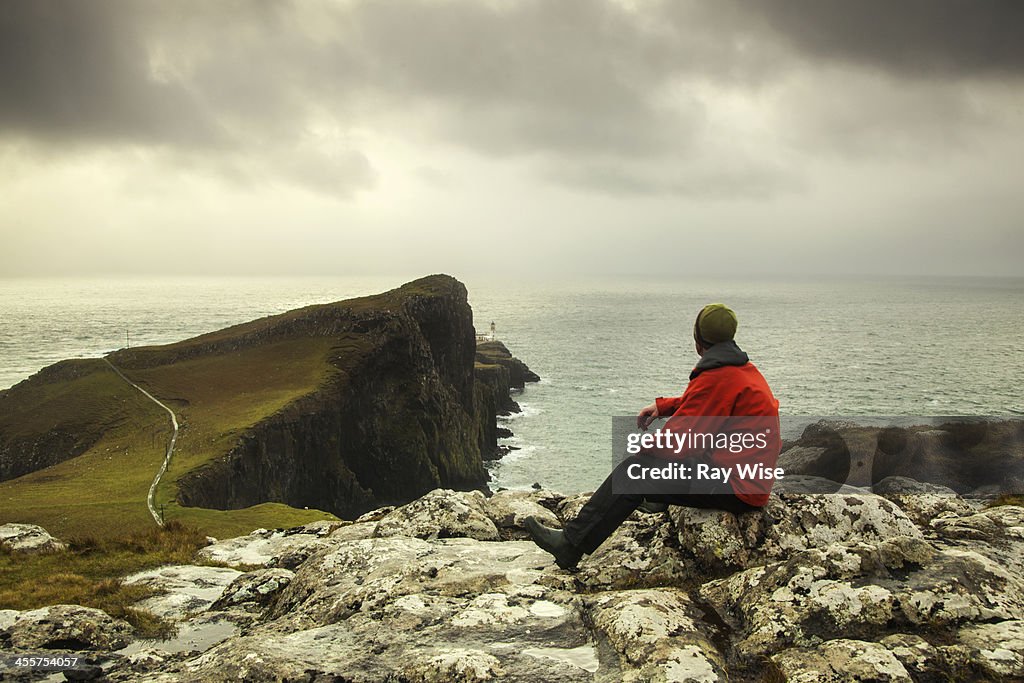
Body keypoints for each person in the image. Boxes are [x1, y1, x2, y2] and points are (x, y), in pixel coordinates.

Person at [525, 303, 780, 570]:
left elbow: (677, 444)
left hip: (735, 488)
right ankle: (656, 498)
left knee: (634, 472)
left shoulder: (718, 377)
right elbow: (708, 402)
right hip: (745, 479)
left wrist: (644, 450)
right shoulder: (740, 369)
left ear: (698, 339)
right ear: (730, 337)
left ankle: (569, 545)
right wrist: (666, 406)